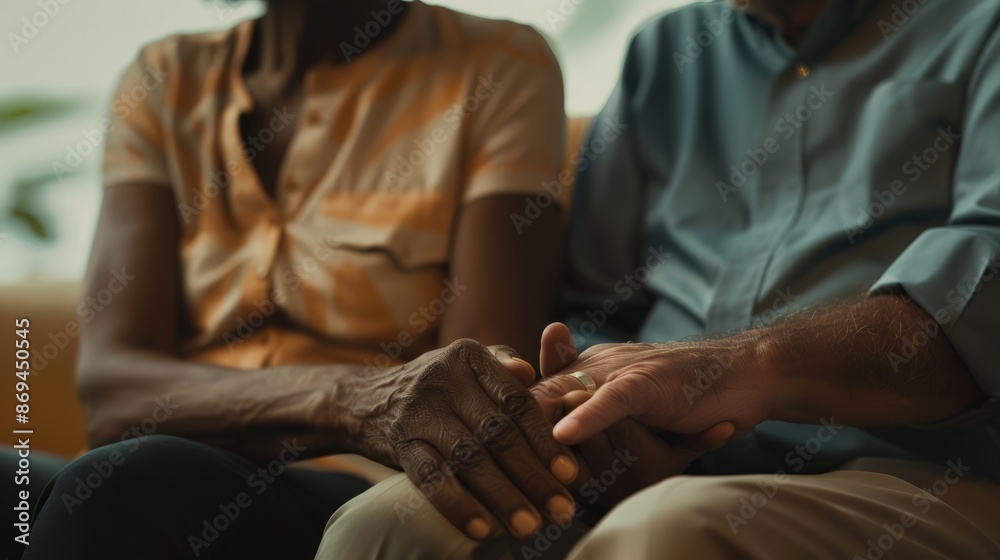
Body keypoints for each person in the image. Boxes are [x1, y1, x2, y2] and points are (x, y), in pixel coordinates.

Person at [315, 0, 1000, 558]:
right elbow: (596, 305)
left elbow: (985, 297)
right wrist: (608, 420)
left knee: (663, 536)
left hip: (922, 474)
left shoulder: (979, 24)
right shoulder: (666, 52)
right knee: (388, 523)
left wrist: (732, 368)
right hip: (671, 466)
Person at [16, 1, 579, 558]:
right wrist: (346, 400)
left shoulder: (497, 64)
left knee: (124, 485)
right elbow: (112, 394)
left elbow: (476, 381)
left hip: (363, 487)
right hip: (146, 464)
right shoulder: (165, 79)